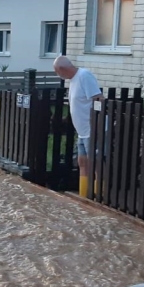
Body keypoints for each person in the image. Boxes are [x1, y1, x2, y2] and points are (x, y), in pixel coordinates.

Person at [53, 55, 102, 195]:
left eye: (57, 72)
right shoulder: (73, 80)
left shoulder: (84, 76)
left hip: (92, 129)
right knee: (82, 163)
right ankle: (84, 193)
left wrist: (97, 128)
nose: (58, 75)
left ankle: (99, 195)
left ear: (62, 69)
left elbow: (98, 99)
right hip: (82, 131)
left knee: (97, 163)